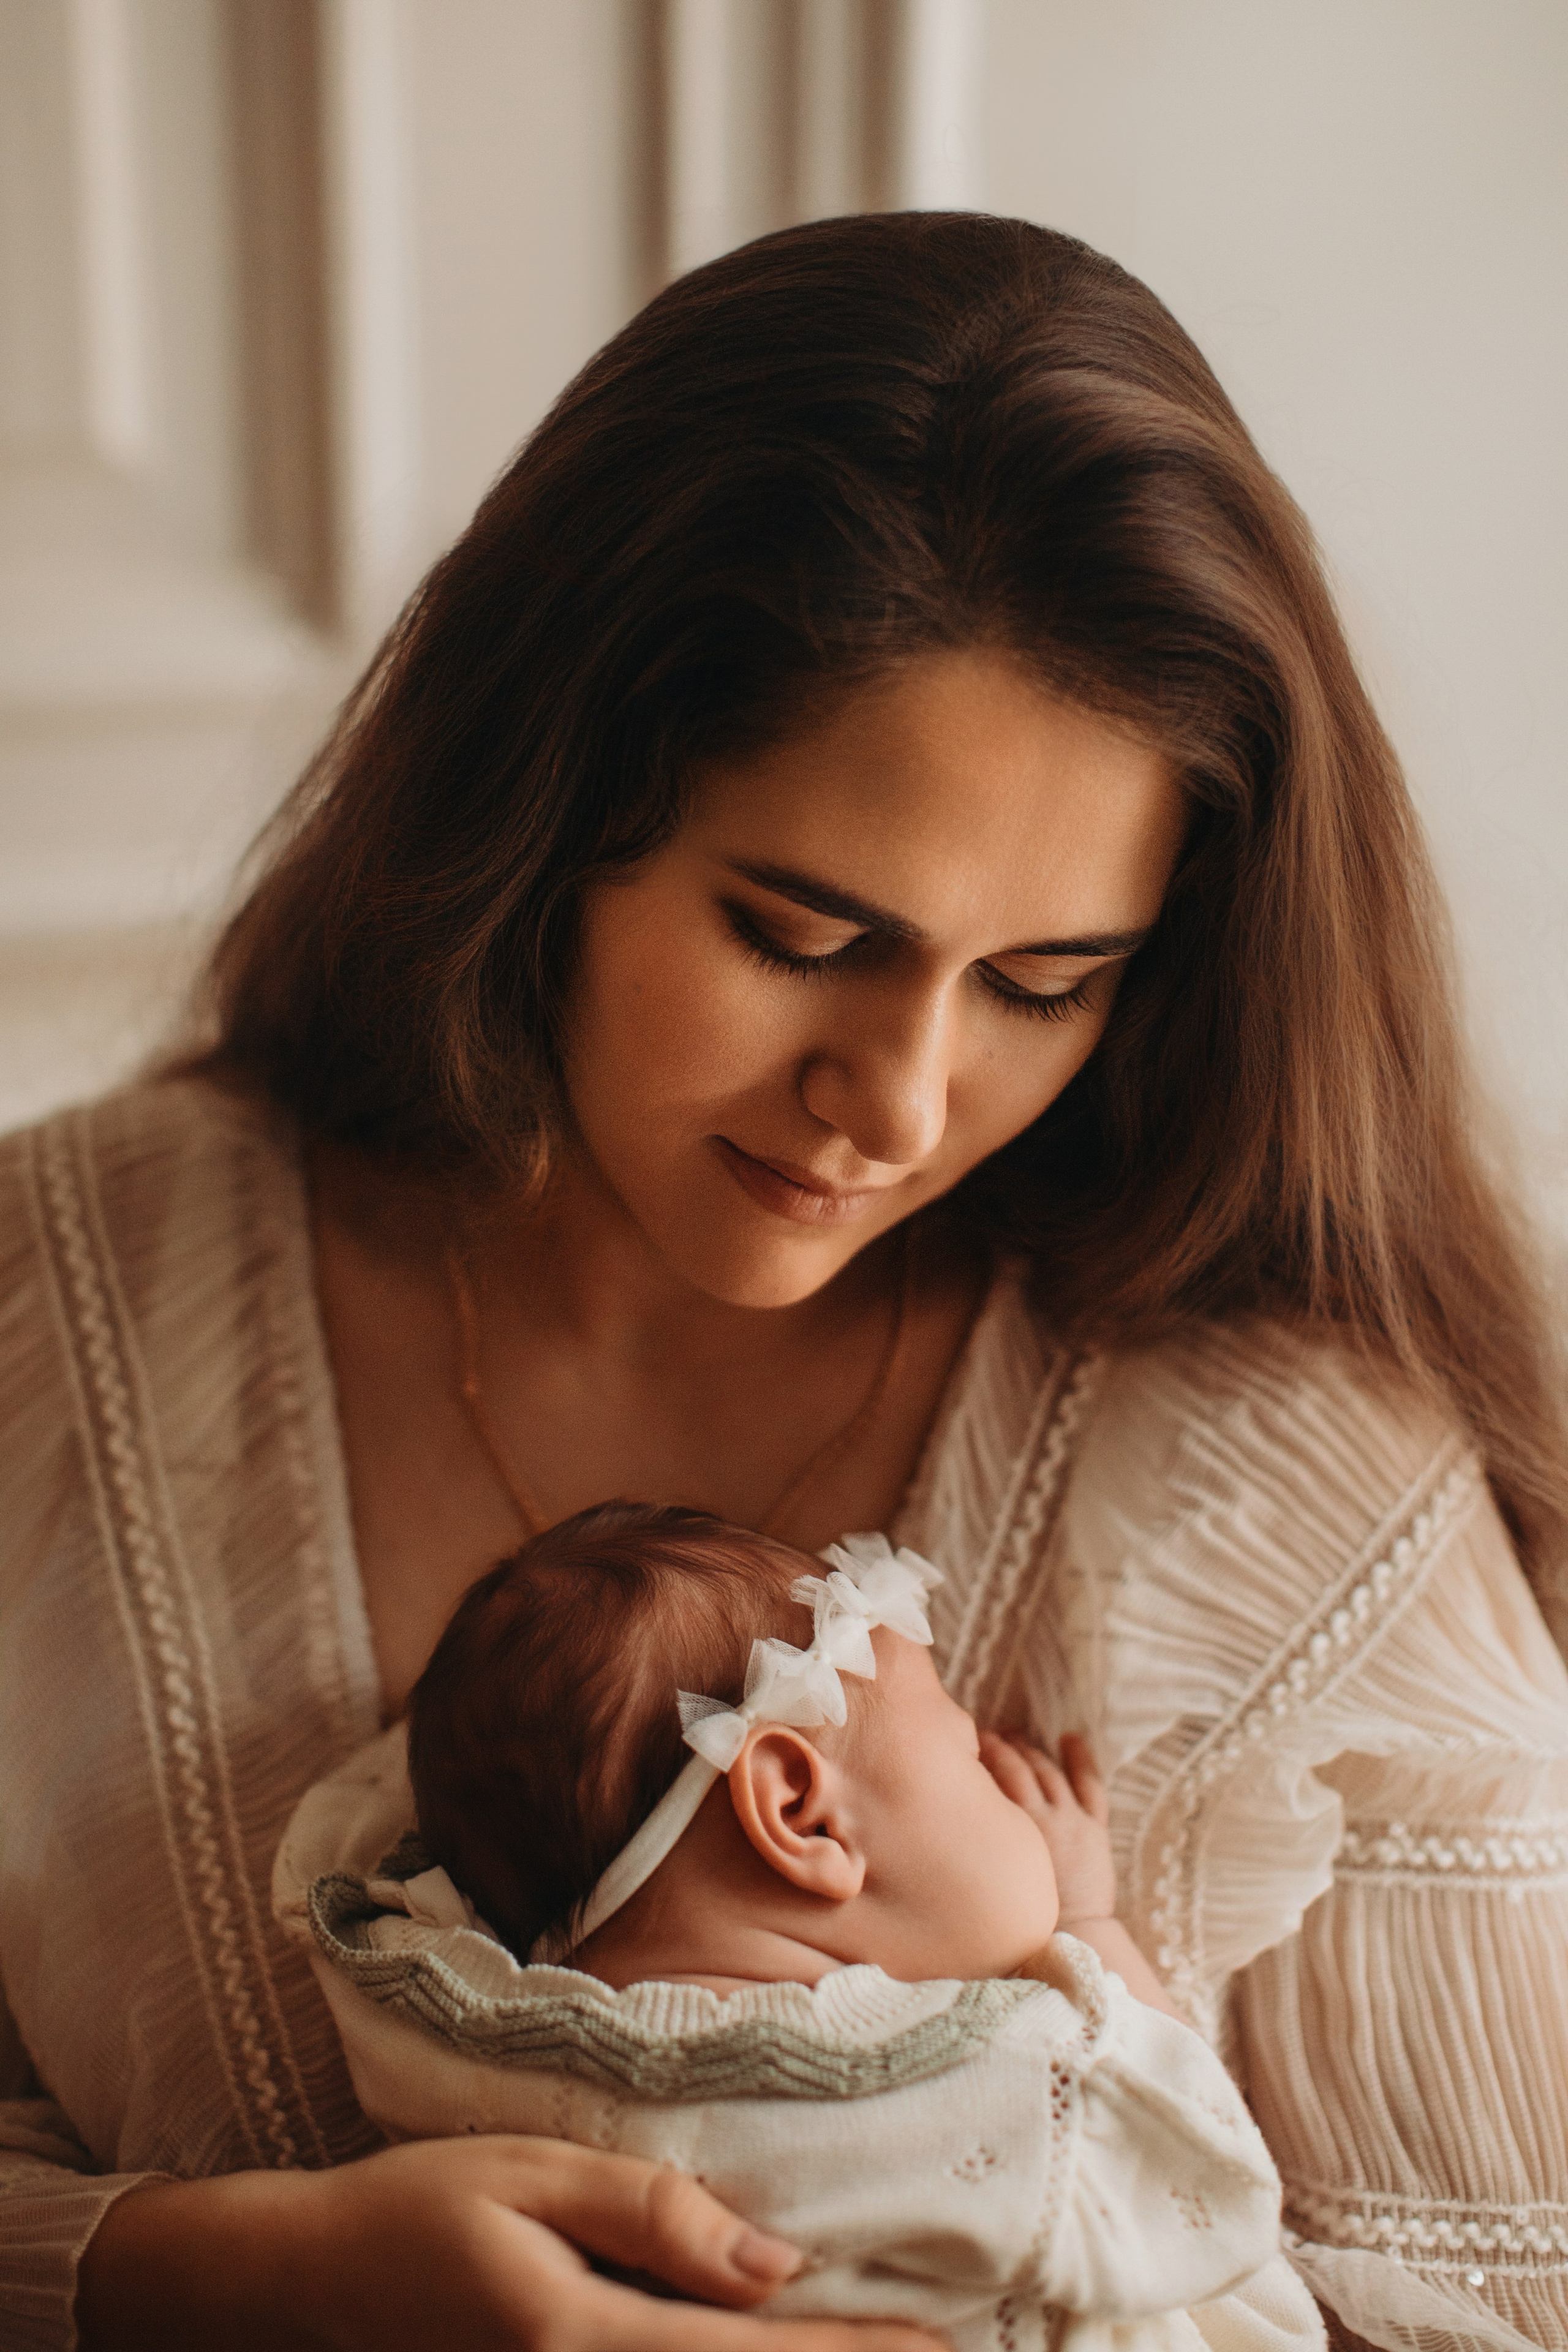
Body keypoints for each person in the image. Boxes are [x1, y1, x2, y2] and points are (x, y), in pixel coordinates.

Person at [0, 212, 1564, 2352]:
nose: (897, 1103)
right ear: (548, 804)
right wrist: (192, 2279)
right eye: (804, 937)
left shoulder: (1299, 1514)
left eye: (1044, 983)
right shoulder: (51, 1316)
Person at [279, 1506, 1325, 2350]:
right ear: (801, 1814)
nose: (1002, 1783)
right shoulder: (993, 2069)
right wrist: (1090, 1921)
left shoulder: (451, 2041)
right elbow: (1212, 2179)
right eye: (968, 1759)